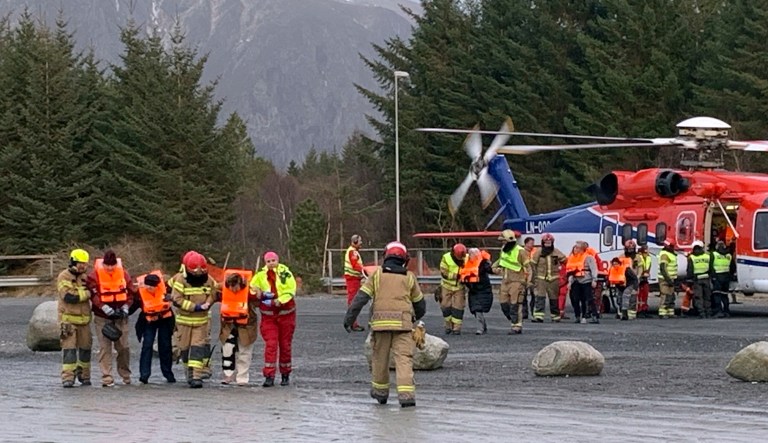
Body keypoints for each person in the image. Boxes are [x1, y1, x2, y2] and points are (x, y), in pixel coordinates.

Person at [344, 241, 426, 407]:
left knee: (380, 359)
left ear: (385, 256)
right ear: (404, 259)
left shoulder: (377, 275)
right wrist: (414, 318)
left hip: (380, 326)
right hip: (403, 327)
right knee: (404, 360)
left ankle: (380, 393)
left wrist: (349, 319)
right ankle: (406, 396)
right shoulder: (409, 277)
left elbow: (360, 299)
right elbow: (420, 304)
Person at [170, 251, 218, 388]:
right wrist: (194, 307)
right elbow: (177, 299)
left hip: (201, 322)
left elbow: (213, 293)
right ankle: (189, 373)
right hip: (184, 321)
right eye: (195, 269)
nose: (198, 273)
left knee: (198, 348)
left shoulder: (208, 279)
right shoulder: (180, 279)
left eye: (201, 269)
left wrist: (208, 303)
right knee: (184, 348)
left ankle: (197, 376)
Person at [87, 249, 135, 387]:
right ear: (103, 264)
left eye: (112, 265)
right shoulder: (94, 276)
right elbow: (93, 294)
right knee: (105, 348)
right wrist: (103, 307)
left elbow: (131, 293)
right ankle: (107, 377)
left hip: (121, 316)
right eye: (107, 265)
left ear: (116, 264)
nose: (109, 268)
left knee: (124, 347)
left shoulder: (124, 274)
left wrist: (126, 307)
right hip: (102, 317)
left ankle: (125, 375)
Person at [250, 251, 297, 387]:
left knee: (285, 345)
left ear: (277, 260)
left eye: (273, 261)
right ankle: (269, 375)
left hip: (286, 314)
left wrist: (279, 301)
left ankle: (285, 374)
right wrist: (257, 292)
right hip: (269, 315)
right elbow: (252, 287)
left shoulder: (285, 273)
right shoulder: (260, 275)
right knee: (271, 344)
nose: (271, 263)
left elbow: (290, 290)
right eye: (268, 261)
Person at [58, 249, 93, 388]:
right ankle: (68, 377)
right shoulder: (64, 276)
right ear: (73, 262)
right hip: (68, 322)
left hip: (84, 321)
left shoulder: (85, 277)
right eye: (80, 263)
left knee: (85, 349)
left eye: (85, 264)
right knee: (69, 351)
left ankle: (84, 376)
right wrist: (88, 293)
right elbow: (69, 297)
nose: (83, 266)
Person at [219, 269, 259, 385]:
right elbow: (211, 293)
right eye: (231, 287)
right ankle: (228, 375)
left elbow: (259, 300)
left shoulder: (251, 292)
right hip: (228, 325)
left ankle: (242, 377)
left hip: (247, 325)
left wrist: (259, 294)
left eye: (235, 287)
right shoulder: (222, 289)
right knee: (227, 350)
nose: (233, 290)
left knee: (244, 352)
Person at [135, 272, 175, 384]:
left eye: (151, 286)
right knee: (147, 346)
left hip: (165, 320)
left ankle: (168, 373)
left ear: (157, 286)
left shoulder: (166, 290)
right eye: (147, 285)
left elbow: (177, 297)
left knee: (165, 346)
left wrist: (172, 298)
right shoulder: (140, 293)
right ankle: (144, 375)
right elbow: (133, 306)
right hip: (148, 321)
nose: (149, 288)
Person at [493, 230, 530, 334]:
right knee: (504, 304)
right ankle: (513, 319)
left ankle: (516, 326)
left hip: (517, 281)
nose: (502, 243)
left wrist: (528, 281)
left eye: (504, 241)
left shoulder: (520, 251)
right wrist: (495, 268)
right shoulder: (503, 249)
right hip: (505, 280)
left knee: (516, 304)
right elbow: (501, 261)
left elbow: (528, 267)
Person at [529, 233, 567, 322]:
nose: (548, 244)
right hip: (541, 278)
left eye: (549, 242)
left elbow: (565, 260)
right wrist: (534, 277)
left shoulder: (556, 251)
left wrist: (561, 270)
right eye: (546, 242)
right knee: (540, 297)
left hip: (554, 278)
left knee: (554, 298)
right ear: (543, 243)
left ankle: (555, 316)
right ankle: (539, 316)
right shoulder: (538, 252)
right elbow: (533, 264)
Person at [460, 248, 493, 334]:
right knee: (475, 309)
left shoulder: (483, 263)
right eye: (470, 254)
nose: (471, 256)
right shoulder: (466, 262)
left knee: (478, 309)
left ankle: (480, 328)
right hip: (473, 290)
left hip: (483, 289)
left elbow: (489, 269)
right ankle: (483, 326)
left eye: (473, 254)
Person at [565, 241, 599, 324]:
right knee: (575, 299)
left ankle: (593, 316)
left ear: (582, 249)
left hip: (586, 281)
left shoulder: (589, 257)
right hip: (576, 281)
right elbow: (571, 271)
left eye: (577, 247)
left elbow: (594, 269)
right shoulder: (572, 258)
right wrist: (570, 282)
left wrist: (594, 280)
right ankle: (577, 316)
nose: (575, 249)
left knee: (588, 299)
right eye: (575, 247)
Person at [439, 243, 467, 335]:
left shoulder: (466, 258)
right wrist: (457, 276)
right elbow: (444, 273)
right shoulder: (446, 258)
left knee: (458, 307)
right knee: (445, 306)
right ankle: (448, 326)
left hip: (459, 287)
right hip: (446, 286)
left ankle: (456, 328)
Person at [343, 234, 366, 332]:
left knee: (354, 301)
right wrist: (364, 270)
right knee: (353, 302)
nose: (361, 243)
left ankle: (352, 323)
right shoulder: (352, 252)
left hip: (354, 279)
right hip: (353, 279)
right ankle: (352, 323)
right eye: (360, 241)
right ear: (355, 242)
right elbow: (355, 265)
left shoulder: (352, 251)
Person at [686, 240, 713, 318]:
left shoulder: (692, 257)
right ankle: (708, 313)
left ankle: (702, 313)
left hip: (697, 280)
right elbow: (711, 268)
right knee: (707, 296)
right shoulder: (707, 256)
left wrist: (689, 280)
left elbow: (690, 270)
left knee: (698, 297)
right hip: (706, 278)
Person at [619, 240, 642, 320]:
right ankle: (622, 313)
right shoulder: (621, 256)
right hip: (623, 279)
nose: (630, 250)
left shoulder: (638, 257)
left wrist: (638, 277)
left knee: (633, 296)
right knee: (621, 296)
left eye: (632, 249)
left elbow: (640, 268)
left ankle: (631, 313)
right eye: (629, 249)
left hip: (633, 280)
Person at [657, 240, 678, 319]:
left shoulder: (670, 254)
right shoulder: (665, 255)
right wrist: (668, 279)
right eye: (671, 246)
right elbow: (663, 267)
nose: (673, 247)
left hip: (670, 278)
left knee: (671, 295)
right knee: (665, 295)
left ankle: (670, 312)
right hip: (665, 279)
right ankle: (662, 312)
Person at [711, 241, 732, 318]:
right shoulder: (729, 255)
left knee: (717, 294)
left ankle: (718, 311)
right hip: (726, 277)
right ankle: (726, 311)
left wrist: (713, 276)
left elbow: (710, 266)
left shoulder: (714, 254)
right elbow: (732, 267)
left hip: (717, 277)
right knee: (725, 295)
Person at [522, 237, 537, 319]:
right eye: (531, 243)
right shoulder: (521, 252)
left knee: (534, 295)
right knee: (523, 296)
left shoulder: (535, 251)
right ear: (526, 243)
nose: (532, 245)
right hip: (524, 276)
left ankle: (533, 312)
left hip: (533, 276)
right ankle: (524, 313)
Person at [636, 245, 652, 318]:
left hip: (645, 279)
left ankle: (644, 309)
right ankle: (639, 310)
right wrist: (641, 275)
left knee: (645, 295)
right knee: (639, 296)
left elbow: (648, 267)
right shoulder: (638, 257)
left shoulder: (648, 257)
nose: (648, 251)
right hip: (640, 278)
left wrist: (647, 273)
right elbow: (637, 268)